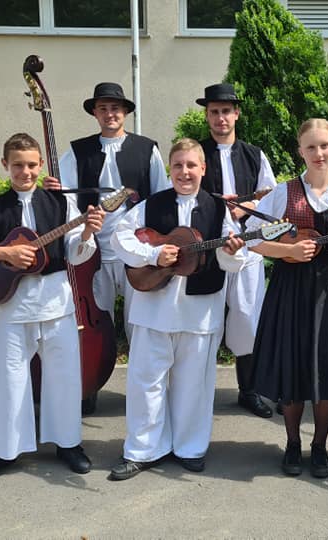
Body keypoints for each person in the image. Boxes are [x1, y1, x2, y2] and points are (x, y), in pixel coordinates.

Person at [0, 133, 104, 482]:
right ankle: (4, 451)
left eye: (32, 165)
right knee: (9, 380)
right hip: (13, 305)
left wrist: (86, 234)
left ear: (41, 165)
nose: (26, 172)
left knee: (64, 378)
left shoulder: (61, 204)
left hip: (57, 302)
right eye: (18, 165)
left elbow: (77, 254)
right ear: (5, 165)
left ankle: (68, 444)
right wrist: (2, 253)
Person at [107, 138, 246, 480]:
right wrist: (153, 255)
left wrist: (230, 251)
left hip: (199, 310)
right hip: (154, 306)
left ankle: (189, 446)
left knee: (193, 383)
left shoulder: (219, 209)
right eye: (178, 165)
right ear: (169, 169)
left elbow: (235, 260)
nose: (185, 172)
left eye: (191, 165)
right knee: (146, 382)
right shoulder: (151, 205)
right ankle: (143, 450)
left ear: (203, 169)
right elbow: (120, 237)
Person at [247, 118, 328, 479]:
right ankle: (292, 443)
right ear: (300, 151)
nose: (319, 153)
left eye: (325, 145)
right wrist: (288, 250)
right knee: (293, 363)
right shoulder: (284, 192)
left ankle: (319, 445)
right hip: (291, 286)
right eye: (311, 147)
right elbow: (253, 239)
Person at [46, 82, 169, 347]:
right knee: (98, 324)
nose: (109, 114)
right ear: (95, 113)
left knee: (140, 322)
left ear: (125, 112)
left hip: (137, 249)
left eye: (115, 108)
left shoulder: (147, 149)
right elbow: (65, 198)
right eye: (103, 108)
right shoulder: (78, 152)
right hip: (95, 251)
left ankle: (140, 371)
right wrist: (54, 190)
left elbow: (160, 196)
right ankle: (97, 370)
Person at [196, 83, 278, 418]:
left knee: (247, 318)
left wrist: (247, 208)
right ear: (207, 116)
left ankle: (249, 390)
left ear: (236, 114)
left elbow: (272, 197)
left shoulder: (254, 154)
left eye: (226, 111)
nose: (221, 118)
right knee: (205, 320)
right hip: (208, 250)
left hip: (248, 247)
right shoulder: (196, 153)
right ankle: (197, 391)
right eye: (214, 112)